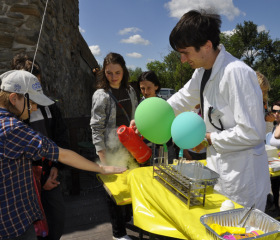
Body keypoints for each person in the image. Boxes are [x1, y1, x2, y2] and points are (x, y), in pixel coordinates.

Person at [0, 70, 126, 240]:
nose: (36, 108)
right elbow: (63, 155)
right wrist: (101, 168)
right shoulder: (13, 128)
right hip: (15, 226)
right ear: (14, 98)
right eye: (33, 103)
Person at [164, 9, 270, 211]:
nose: (183, 60)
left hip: (243, 181)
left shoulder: (237, 73)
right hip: (221, 174)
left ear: (206, 46)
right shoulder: (202, 72)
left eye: (185, 52)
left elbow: (253, 132)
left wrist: (210, 138)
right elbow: (183, 98)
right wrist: (153, 116)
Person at [11, 54, 68, 240]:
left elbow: (61, 139)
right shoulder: (11, 113)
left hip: (50, 176)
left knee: (56, 221)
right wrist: (37, 176)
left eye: (37, 84)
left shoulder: (51, 106)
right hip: (24, 183)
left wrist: (55, 168)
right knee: (31, 230)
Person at [90, 52, 138, 240]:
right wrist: (104, 160)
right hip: (110, 152)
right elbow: (96, 129)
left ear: (124, 71)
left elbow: (135, 117)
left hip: (131, 149)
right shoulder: (101, 95)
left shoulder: (130, 91)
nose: (113, 77)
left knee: (132, 186)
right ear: (104, 72)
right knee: (114, 193)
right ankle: (118, 234)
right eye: (109, 73)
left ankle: (129, 221)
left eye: (117, 72)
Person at [267, 101, 280, 213]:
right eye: (274, 111)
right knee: (275, 186)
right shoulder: (274, 126)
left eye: (278, 111)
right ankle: (276, 206)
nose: (276, 114)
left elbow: (277, 136)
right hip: (275, 163)